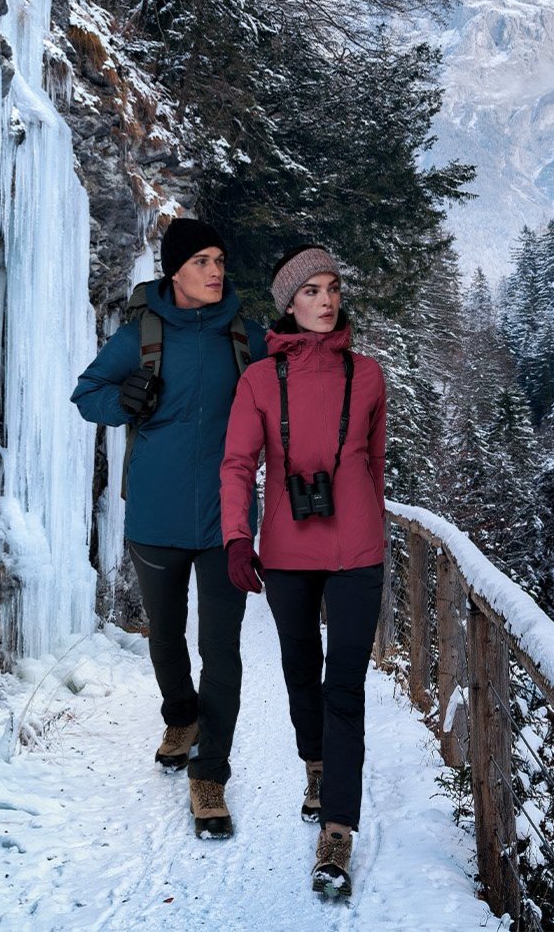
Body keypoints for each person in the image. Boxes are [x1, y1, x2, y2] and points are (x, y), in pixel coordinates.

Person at [71, 218, 266, 840]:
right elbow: (86, 394)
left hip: (226, 520)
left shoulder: (247, 338)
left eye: (220, 260)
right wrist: (121, 401)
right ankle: (180, 715)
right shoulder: (141, 336)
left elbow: (295, 383)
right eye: (202, 261)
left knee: (224, 648)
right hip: (154, 516)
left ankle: (209, 774)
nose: (215, 271)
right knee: (167, 636)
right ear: (174, 271)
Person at [219, 244, 388, 898]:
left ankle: (337, 831)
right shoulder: (260, 380)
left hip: (357, 553)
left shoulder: (369, 375)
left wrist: (367, 524)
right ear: (289, 303)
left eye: (333, 288)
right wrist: (238, 536)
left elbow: (374, 464)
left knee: (343, 687)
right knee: (300, 672)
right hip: (287, 552)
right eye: (312, 290)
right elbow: (237, 464)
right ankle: (314, 764)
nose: (327, 299)